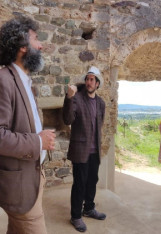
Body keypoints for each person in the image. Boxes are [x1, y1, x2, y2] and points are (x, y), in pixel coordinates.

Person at [0, 15, 56, 234]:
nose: (41, 45)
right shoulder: (4, 79)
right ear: (22, 45)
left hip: (32, 176)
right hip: (19, 184)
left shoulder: (26, 82)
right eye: (36, 39)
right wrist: (37, 141)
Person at [63, 66, 107, 232]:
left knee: (92, 181)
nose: (89, 82)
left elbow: (99, 124)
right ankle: (76, 216)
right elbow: (67, 119)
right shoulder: (76, 98)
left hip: (95, 150)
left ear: (97, 84)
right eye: (87, 79)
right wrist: (68, 98)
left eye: (92, 80)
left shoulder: (101, 103)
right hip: (80, 149)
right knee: (79, 183)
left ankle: (88, 208)